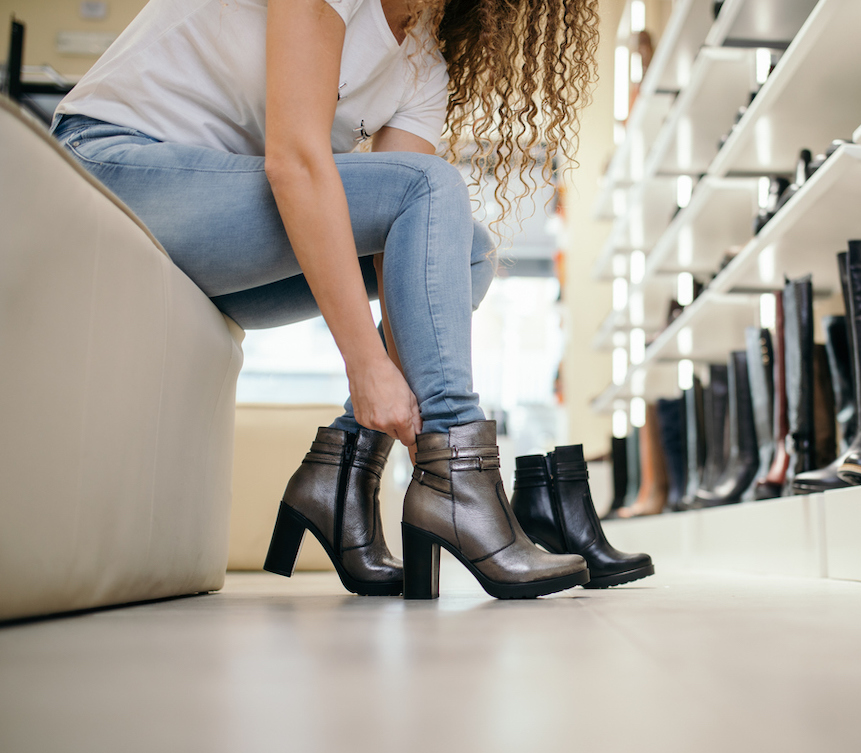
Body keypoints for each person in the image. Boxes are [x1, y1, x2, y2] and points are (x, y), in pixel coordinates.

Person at [51, 0, 600, 599]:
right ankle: (457, 477)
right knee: (428, 183)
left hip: (219, 242)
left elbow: (405, 247)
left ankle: (344, 472)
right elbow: (295, 162)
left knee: (464, 248)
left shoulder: (423, 63)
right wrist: (365, 364)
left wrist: (399, 392)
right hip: (112, 166)